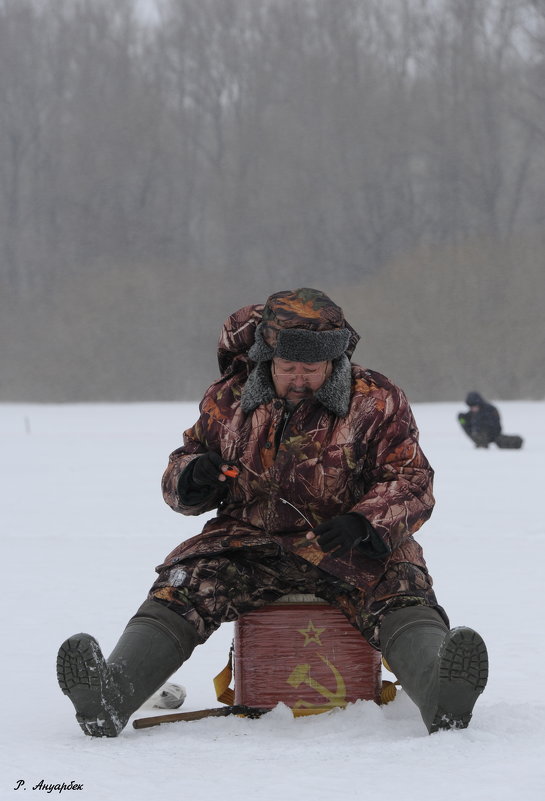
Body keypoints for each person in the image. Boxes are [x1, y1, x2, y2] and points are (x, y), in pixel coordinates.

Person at [57, 288, 488, 738]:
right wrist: (193, 475)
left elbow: (411, 479)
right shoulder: (228, 399)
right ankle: (111, 695)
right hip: (248, 542)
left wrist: (364, 521)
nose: (298, 379)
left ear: (334, 362)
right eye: (287, 368)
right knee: (183, 586)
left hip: (347, 545)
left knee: (402, 589)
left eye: (312, 369)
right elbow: (179, 471)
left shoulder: (376, 398)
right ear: (267, 360)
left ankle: (442, 696)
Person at [458, 392, 523, 449]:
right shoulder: (472, 413)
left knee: (503, 441)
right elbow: (466, 423)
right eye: (471, 407)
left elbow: (496, 424)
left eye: (474, 406)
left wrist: (484, 429)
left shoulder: (490, 410)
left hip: (494, 434)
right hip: (479, 436)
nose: (473, 408)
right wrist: (462, 420)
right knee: (473, 430)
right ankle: (481, 443)